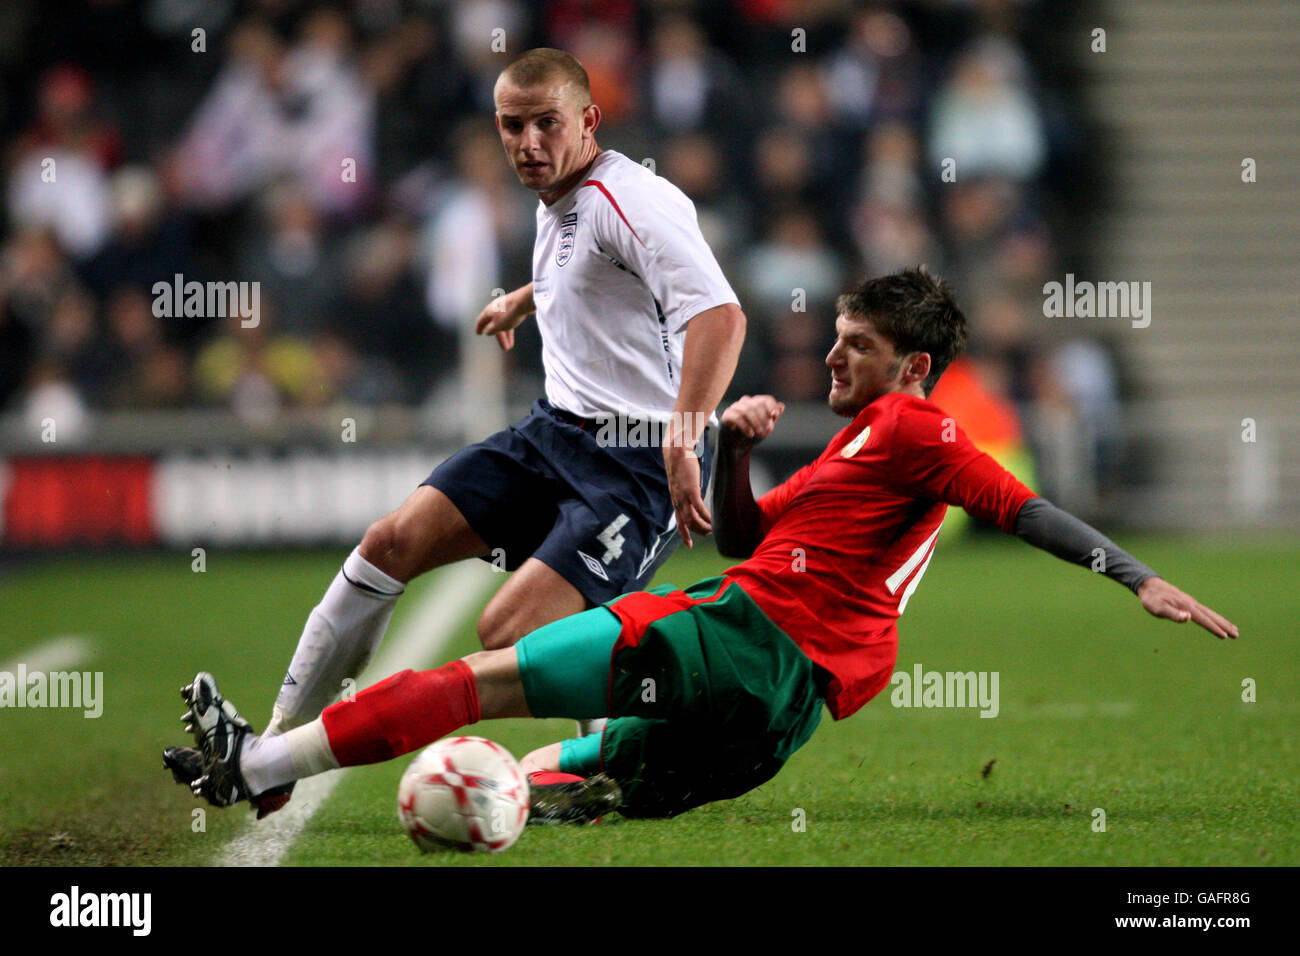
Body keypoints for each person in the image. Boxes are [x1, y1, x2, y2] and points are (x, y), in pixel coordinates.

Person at [169, 267, 1237, 821]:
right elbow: (745, 534)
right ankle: (519, 795)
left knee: (475, 681)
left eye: (858, 346)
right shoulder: (860, 448)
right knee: (559, 771)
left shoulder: (921, 428)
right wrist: (727, 450)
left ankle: (259, 762)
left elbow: (1021, 509)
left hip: (748, 639)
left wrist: (1134, 576)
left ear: (912, 367)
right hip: (778, 720)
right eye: (837, 334)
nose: (833, 353)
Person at [167, 47, 747, 817]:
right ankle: (275, 746)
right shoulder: (564, 198)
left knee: (510, 631)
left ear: (589, 120)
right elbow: (599, 273)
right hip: (555, 435)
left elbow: (720, 314)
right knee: (390, 542)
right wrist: (526, 299)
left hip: (637, 466)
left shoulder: (633, 198)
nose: (528, 142)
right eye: (513, 127)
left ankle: (614, 756)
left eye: (547, 124)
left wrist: (683, 436)